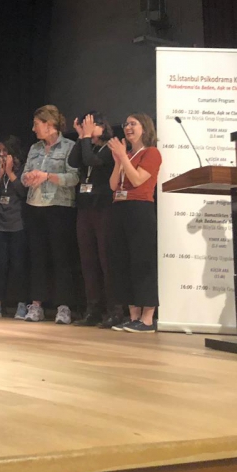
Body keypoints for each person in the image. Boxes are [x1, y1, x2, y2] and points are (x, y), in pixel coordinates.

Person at [21, 105, 79, 324]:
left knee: (60, 257)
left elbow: (73, 178)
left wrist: (47, 176)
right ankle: (36, 305)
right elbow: (24, 174)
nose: (33, 128)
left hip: (59, 207)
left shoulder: (69, 147)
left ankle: (63, 306)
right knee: (37, 257)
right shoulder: (34, 148)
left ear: (49, 124)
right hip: (34, 206)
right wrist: (29, 178)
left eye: (37, 124)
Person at [107, 114, 162, 333]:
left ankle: (147, 319)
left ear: (145, 128)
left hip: (140, 209)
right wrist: (119, 160)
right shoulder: (128, 154)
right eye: (126, 124)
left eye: (133, 124)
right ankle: (133, 316)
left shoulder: (152, 153)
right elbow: (113, 185)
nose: (128, 127)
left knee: (142, 262)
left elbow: (138, 179)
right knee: (123, 263)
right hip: (120, 208)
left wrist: (123, 156)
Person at [68, 111, 118, 328]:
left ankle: (114, 310)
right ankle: (93, 309)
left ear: (102, 126)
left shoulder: (111, 147)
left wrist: (86, 137)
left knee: (106, 260)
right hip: (85, 208)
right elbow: (73, 161)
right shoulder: (88, 145)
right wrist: (82, 137)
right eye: (83, 126)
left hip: (104, 209)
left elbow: (91, 161)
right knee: (88, 261)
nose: (87, 129)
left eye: (90, 125)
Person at [0, 135, 29, 320]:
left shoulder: (23, 168)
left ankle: (21, 303)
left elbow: (24, 192)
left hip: (18, 224)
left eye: (5, 151)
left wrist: (10, 173)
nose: (2, 155)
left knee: (18, 265)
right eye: (0, 152)